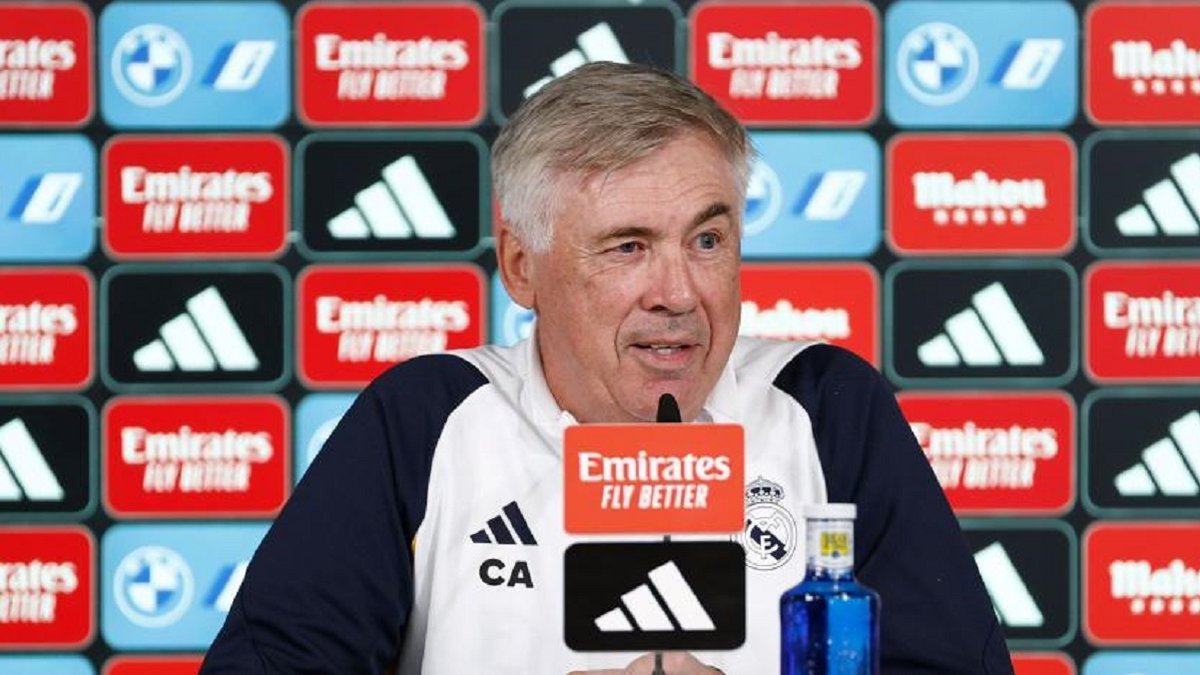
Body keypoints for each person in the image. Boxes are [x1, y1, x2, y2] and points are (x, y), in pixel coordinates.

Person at [200, 62, 1013, 674]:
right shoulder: (424, 419)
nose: (679, 292)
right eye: (628, 247)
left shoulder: (828, 406)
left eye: (707, 239)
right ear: (521, 267)